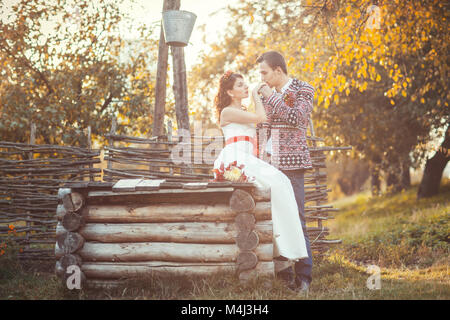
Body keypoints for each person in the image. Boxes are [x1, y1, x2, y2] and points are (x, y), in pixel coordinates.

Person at [212, 70, 309, 285]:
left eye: (245, 84)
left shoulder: (243, 110)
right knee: (279, 182)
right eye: (240, 85)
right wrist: (257, 94)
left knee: (281, 185)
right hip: (235, 159)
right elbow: (261, 118)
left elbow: (261, 125)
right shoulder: (227, 112)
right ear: (229, 91)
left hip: (248, 158)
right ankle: (284, 256)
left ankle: (285, 253)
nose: (245, 87)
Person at [255, 51, 315, 293]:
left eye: (264, 72)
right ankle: (285, 277)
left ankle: (304, 279)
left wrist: (271, 97)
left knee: (297, 220)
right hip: (270, 166)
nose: (262, 78)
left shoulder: (304, 89)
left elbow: (298, 118)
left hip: (293, 165)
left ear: (278, 70)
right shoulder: (265, 95)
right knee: (275, 222)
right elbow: (262, 127)